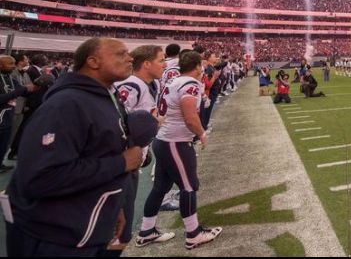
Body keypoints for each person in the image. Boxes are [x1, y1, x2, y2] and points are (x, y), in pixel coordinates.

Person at [5, 38, 143, 256]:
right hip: (57, 238)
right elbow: (41, 178)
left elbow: (96, 151)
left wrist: (112, 207)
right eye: (120, 53)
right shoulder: (66, 104)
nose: (130, 57)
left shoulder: (103, 96)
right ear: (93, 61)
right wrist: (121, 163)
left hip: (86, 226)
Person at [137, 51, 222, 250]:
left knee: (160, 187)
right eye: (201, 67)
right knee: (189, 186)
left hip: (164, 139)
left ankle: (146, 231)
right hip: (175, 141)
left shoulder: (174, 81)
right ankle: (193, 234)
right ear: (197, 67)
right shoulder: (189, 84)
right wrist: (201, 133)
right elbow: (190, 116)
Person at [113, 45, 166, 251]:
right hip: (124, 161)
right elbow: (119, 120)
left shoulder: (149, 84)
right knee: (119, 226)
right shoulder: (132, 85)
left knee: (125, 216)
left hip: (134, 157)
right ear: (146, 63)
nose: (164, 64)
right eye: (160, 60)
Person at [0, 55, 38, 174]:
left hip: (9, 116)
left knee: (5, 144)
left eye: (13, 64)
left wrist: (38, 84)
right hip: (1, 117)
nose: (13, 66)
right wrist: (21, 91)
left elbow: (25, 91)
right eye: (10, 64)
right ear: (1, 65)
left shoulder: (10, 77)